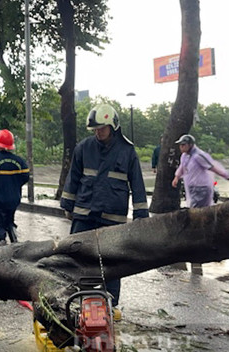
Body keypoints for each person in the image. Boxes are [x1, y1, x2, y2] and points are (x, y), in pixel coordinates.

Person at [60, 104, 149, 322]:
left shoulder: (127, 151)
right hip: (84, 211)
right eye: (95, 130)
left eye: (102, 129)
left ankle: (110, 301)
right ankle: (80, 298)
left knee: (112, 260)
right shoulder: (84, 147)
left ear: (112, 126)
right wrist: (68, 206)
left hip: (113, 215)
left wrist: (140, 216)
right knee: (78, 257)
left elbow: (137, 183)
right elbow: (73, 178)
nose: (98, 133)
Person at [172, 134, 229, 207]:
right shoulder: (184, 156)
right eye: (180, 145)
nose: (181, 147)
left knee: (199, 210)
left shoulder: (198, 156)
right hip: (191, 187)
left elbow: (213, 167)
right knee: (193, 208)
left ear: (190, 145)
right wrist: (176, 177)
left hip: (201, 188)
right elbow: (182, 167)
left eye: (183, 145)